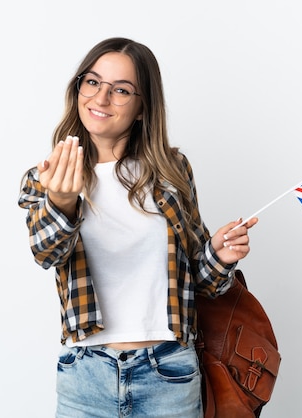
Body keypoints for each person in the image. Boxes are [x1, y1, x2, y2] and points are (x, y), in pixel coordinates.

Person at [18, 37, 258, 418]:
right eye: (93, 82)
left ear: (143, 108)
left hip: (169, 375)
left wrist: (219, 256)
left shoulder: (171, 173)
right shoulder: (46, 177)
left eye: (122, 90)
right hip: (85, 375)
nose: (101, 98)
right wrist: (62, 203)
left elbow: (200, 282)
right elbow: (46, 253)